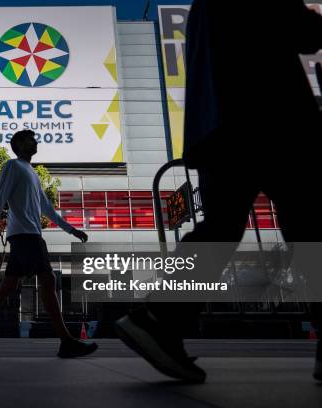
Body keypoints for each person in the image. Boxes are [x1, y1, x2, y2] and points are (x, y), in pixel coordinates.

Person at [114, 0, 322, 383]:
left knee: (220, 228)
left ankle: (159, 316)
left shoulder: (202, 6)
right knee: (311, 227)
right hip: (274, 118)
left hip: (218, 128)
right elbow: (304, 32)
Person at [0, 129, 98, 358]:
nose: (35, 142)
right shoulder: (13, 166)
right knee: (48, 279)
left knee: (6, 287)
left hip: (27, 235)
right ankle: (66, 341)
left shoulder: (32, 172)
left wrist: (71, 229)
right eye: (29, 139)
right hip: (26, 235)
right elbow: (0, 198)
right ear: (19, 145)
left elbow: (47, 210)